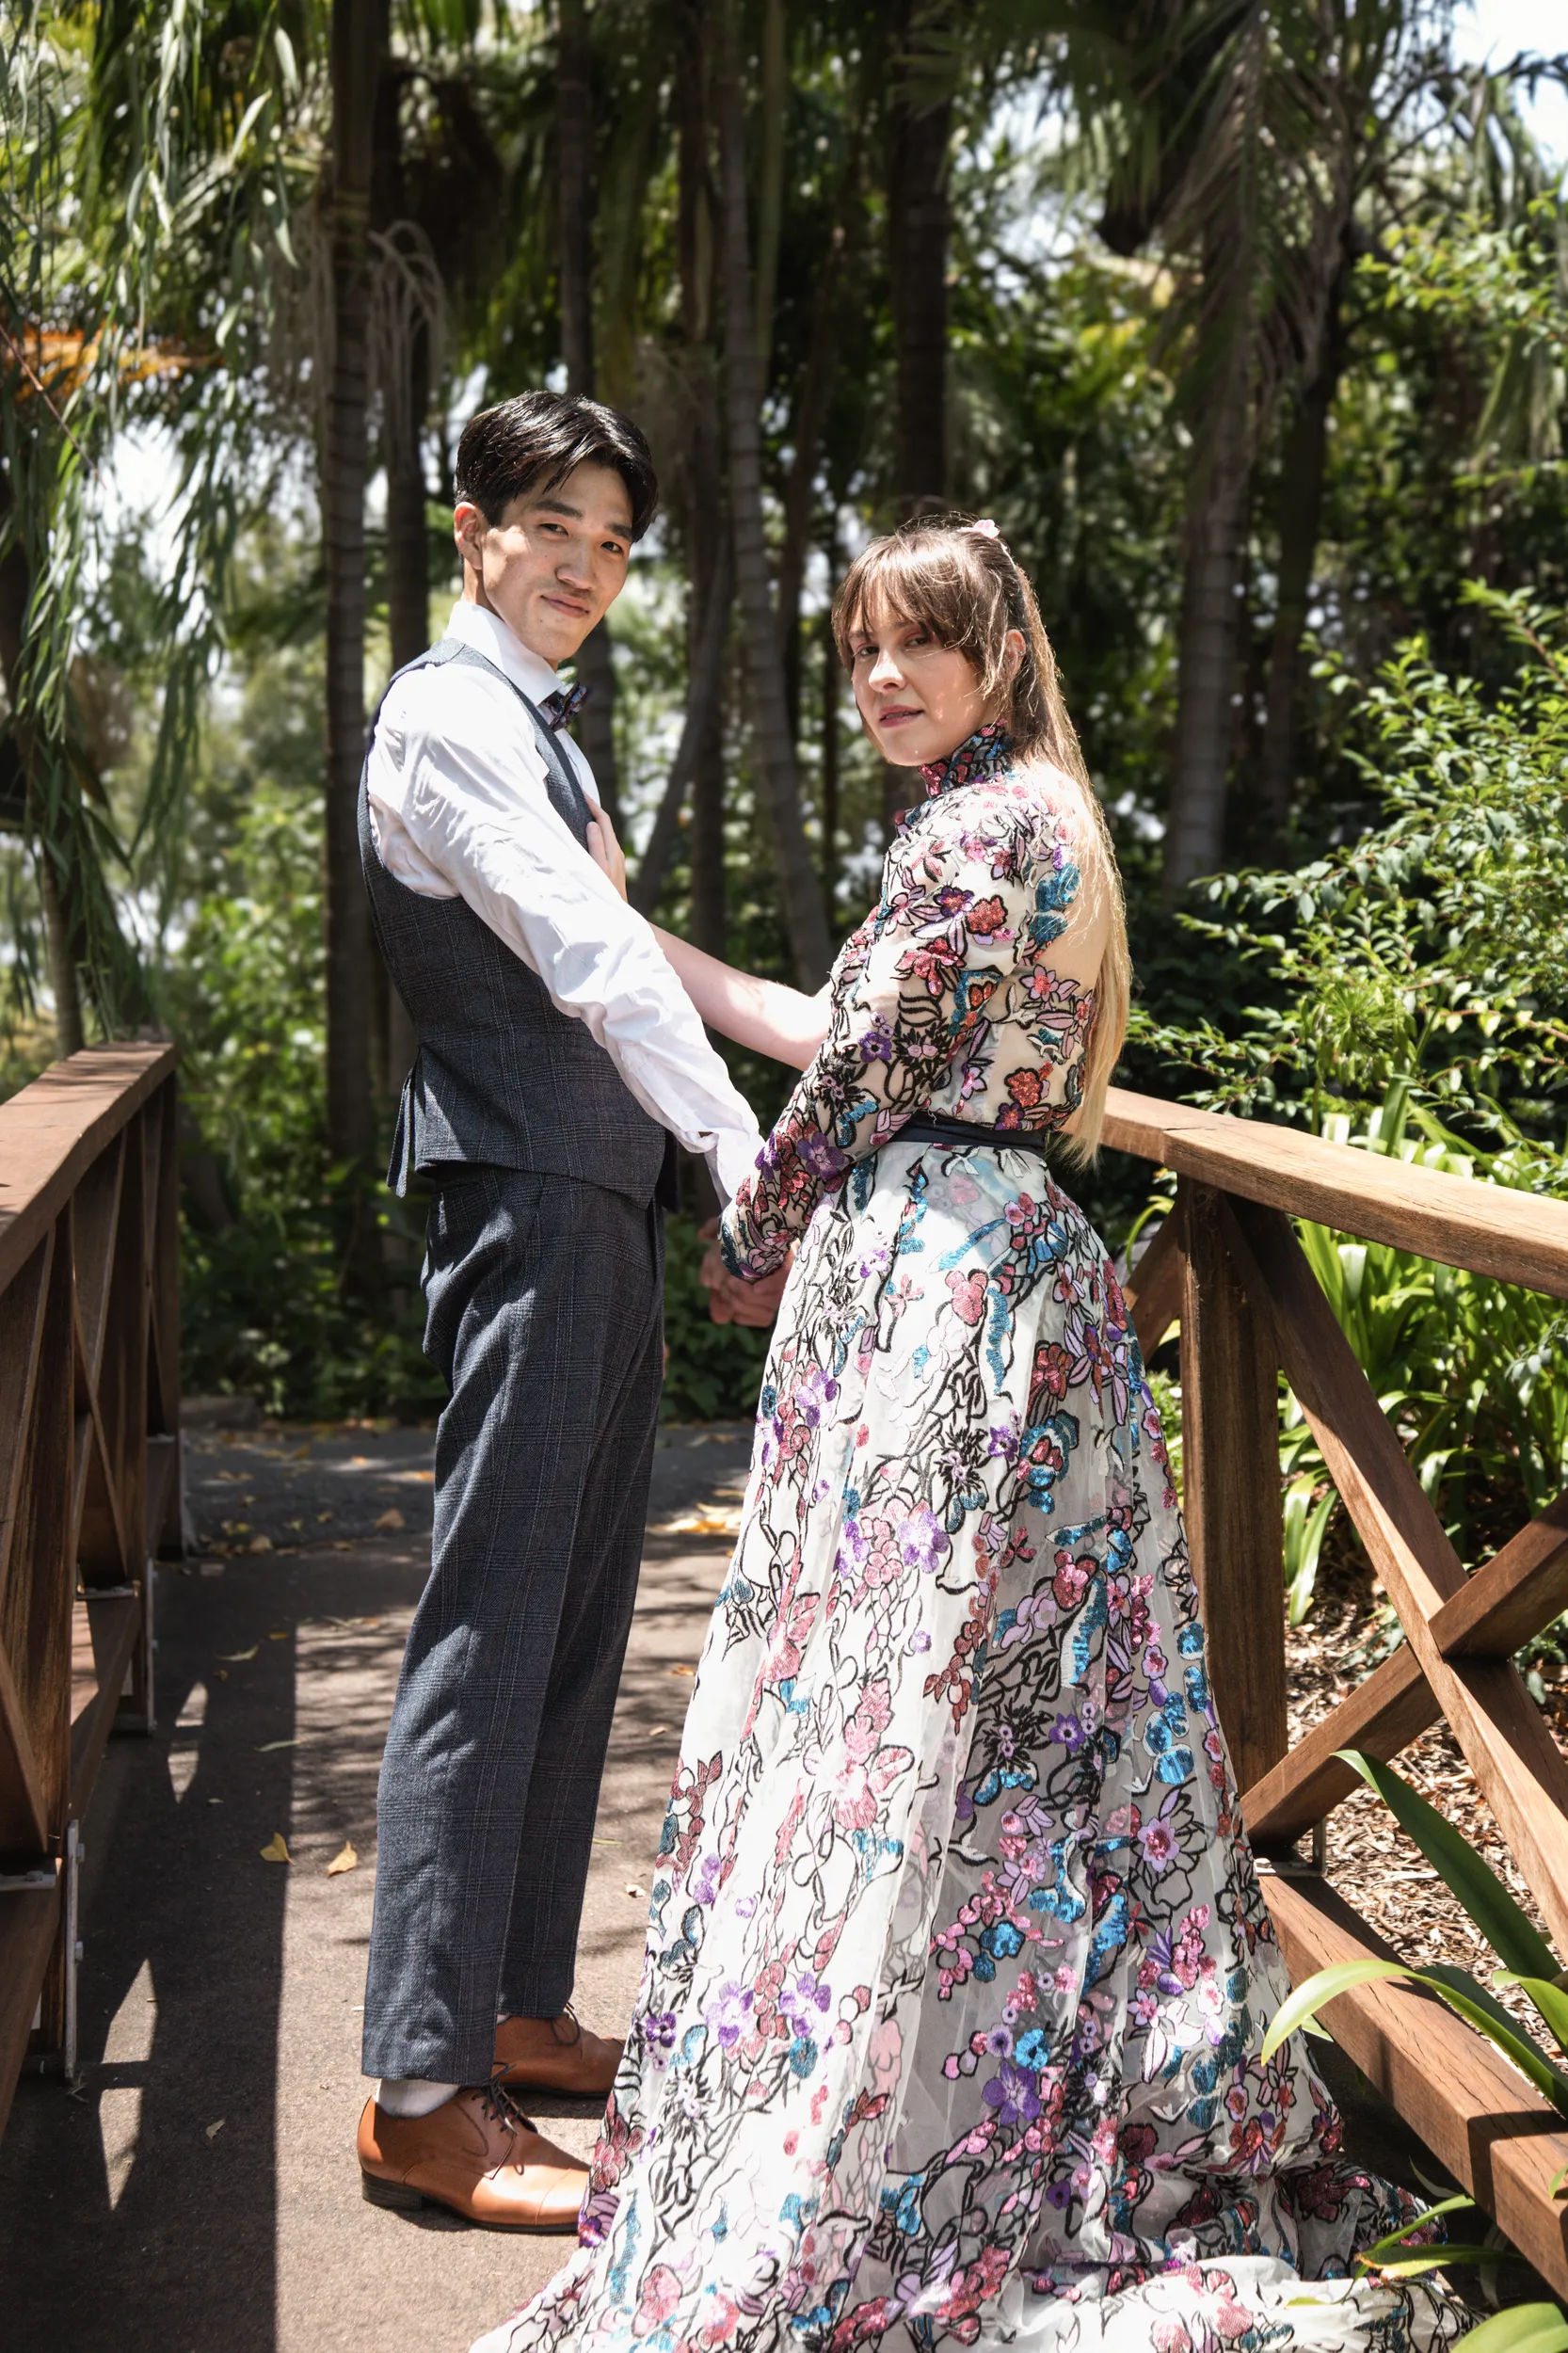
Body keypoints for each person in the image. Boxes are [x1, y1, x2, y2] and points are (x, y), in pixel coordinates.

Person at [473, 515, 1453, 2348]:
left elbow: (861, 1062)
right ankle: (954, 2075)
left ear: (997, 649)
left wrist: (752, 1235)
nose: (883, 676)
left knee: (918, 1701)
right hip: (967, 1273)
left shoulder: (988, 828)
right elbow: (841, 1025)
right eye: (861, 650)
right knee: (1000, 1711)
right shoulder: (1012, 820)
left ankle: (907, 2111)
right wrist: (636, 928)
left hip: (947, 1293)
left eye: (918, 642)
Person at [354, 390, 762, 2230]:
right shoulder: (446, 717)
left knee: (575, 1621)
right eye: (554, 525)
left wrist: (810, 1045)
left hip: (589, 1202)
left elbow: (636, 950)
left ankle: (512, 2007)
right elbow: (584, 951)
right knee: (488, 1621)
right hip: (521, 1201)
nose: (587, 564)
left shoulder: (539, 731)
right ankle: (419, 2090)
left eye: (613, 537)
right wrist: (743, 1151)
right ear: (472, 528)